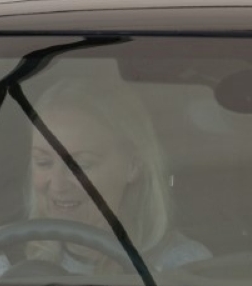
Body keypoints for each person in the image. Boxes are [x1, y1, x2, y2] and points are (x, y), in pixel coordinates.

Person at [23, 76, 210, 274]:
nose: (58, 184)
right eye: (43, 162)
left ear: (133, 165)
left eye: (80, 165)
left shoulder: (181, 266)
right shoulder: (6, 264)